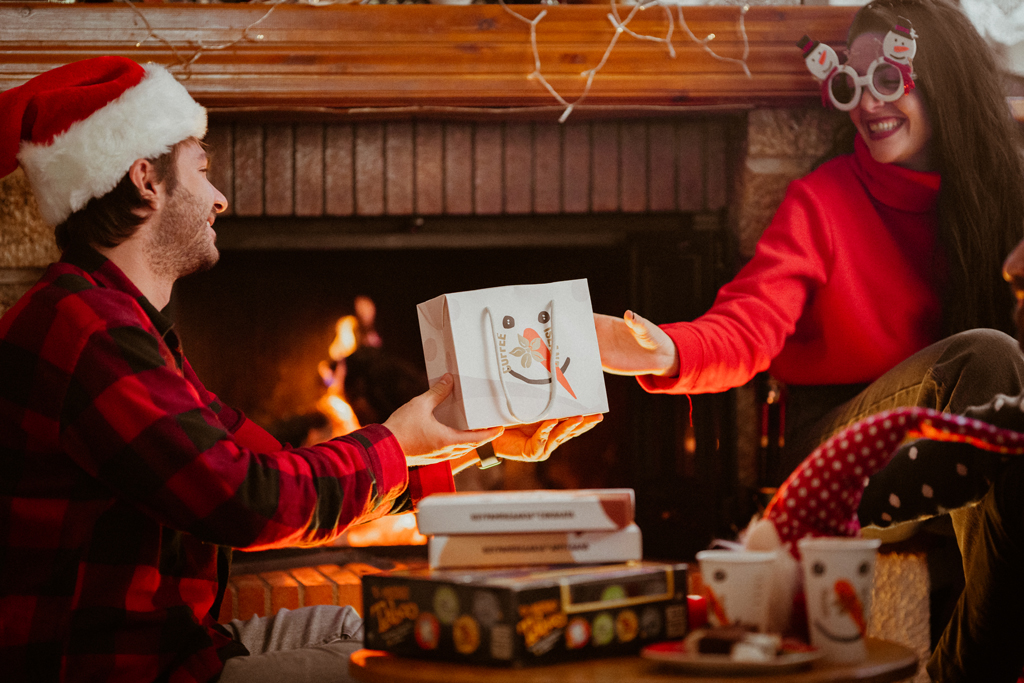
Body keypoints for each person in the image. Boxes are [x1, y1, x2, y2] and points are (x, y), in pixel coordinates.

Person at [0, 57, 597, 683]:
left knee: (368, 628)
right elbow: (248, 500)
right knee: (405, 667)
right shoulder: (86, 330)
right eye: (202, 171)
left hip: (176, 645)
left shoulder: (116, 320)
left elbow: (267, 461)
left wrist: (473, 443)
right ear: (146, 180)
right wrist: (396, 441)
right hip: (125, 669)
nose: (219, 197)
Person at [595, 0, 1024, 485]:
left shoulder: (1007, 198)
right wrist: (667, 351)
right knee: (990, 357)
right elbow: (749, 325)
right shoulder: (824, 201)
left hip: (956, 439)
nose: (866, 104)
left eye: (887, 80)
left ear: (944, 84)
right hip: (834, 446)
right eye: (852, 85)